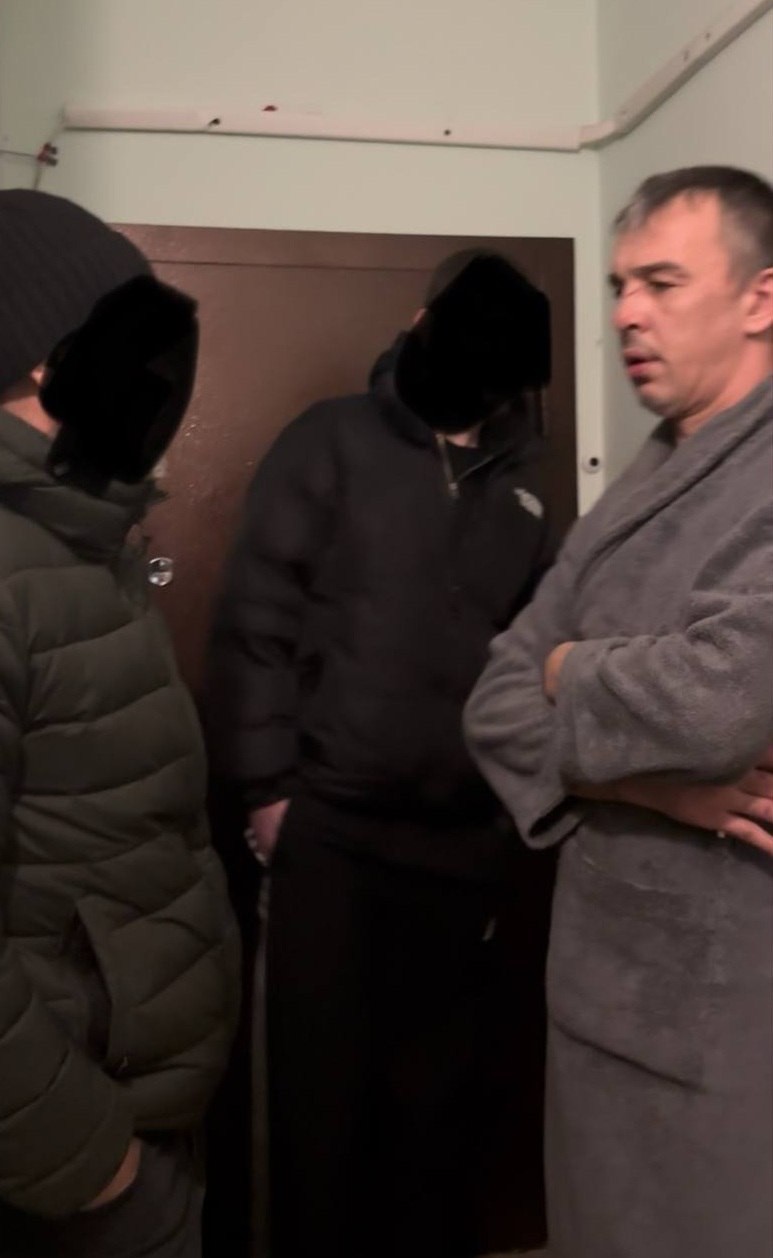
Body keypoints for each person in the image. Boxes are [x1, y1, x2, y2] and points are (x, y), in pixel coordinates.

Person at [207, 250, 556, 1258]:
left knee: (433, 1107)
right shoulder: (327, 442)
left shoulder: (528, 491)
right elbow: (254, 623)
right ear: (418, 320)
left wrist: (506, 814)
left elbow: (532, 660)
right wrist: (267, 792)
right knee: (314, 1108)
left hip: (459, 850)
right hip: (328, 838)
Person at [465, 166, 773, 1258]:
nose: (625, 314)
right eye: (616, 287)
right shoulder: (643, 478)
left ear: (760, 298)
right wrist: (642, 787)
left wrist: (565, 666)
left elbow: (717, 702)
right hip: (603, 995)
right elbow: (492, 698)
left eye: (659, 282)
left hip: (725, 1018)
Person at [0, 189, 240, 1258]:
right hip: (73, 1174)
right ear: (48, 357)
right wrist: (96, 1164)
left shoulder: (82, 537)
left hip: (139, 1112)